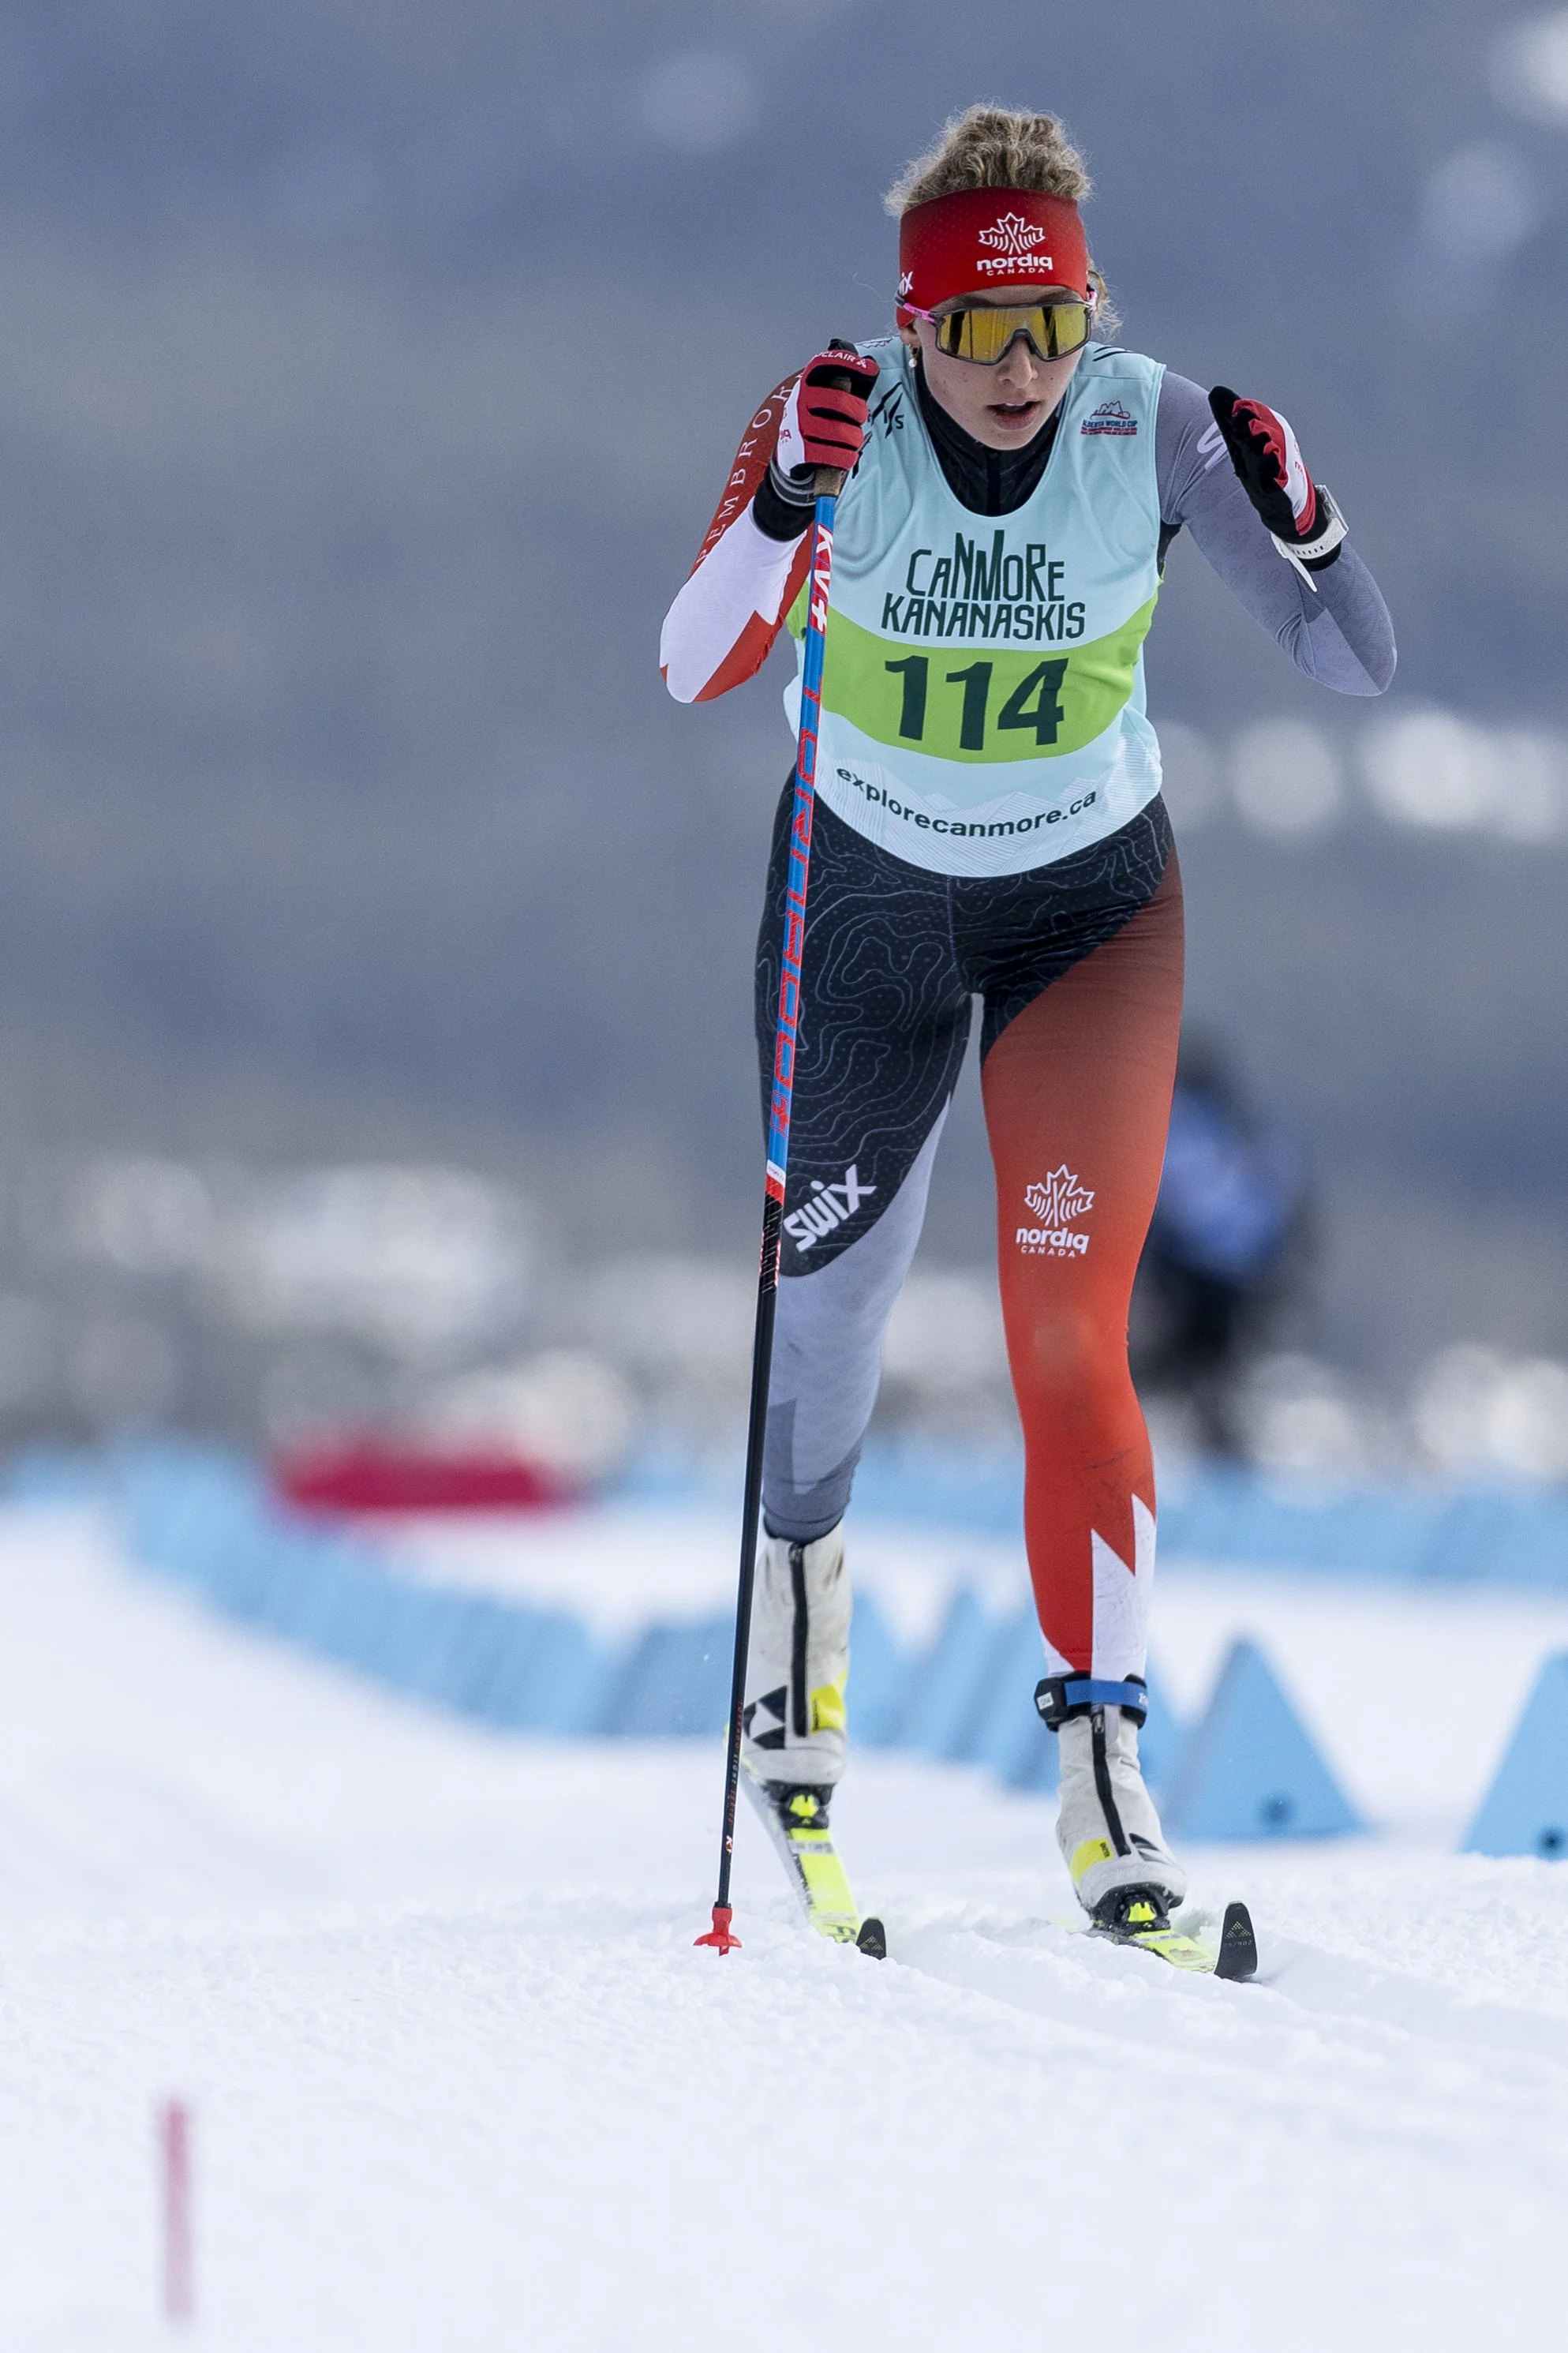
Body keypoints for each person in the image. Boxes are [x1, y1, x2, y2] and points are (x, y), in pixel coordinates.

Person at [661, 106, 1394, 1939]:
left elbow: (1347, 652)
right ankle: (792, 1669)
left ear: (1087, 320)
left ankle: (1101, 1768)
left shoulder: (1147, 425)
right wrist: (770, 504)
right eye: (975, 334)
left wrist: (1302, 510)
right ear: (910, 325)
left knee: (1067, 1338)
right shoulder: (831, 419)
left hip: (1084, 910)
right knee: (824, 1322)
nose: (1014, 372)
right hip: (865, 913)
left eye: (1047, 328)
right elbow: (691, 657)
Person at [1132, 1034, 1310, 1459]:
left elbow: (1157, 1200)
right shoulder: (1245, 1130)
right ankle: (1221, 1454)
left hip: (1184, 1271)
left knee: (1166, 1367)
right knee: (1214, 1376)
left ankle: (1109, 1436)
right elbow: (1287, 1204)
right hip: (1241, 1277)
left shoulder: (1174, 1126)